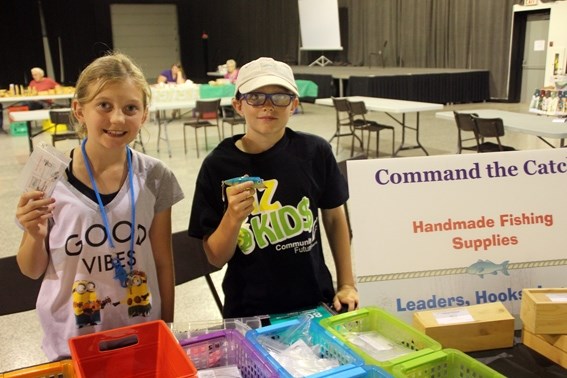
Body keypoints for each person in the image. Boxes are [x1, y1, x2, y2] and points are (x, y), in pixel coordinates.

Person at [15, 52, 184, 360]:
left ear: (144, 115)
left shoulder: (156, 176)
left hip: (140, 333)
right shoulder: (48, 177)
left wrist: (167, 327)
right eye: (104, 105)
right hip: (73, 340)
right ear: (79, 110)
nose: (118, 118)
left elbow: (162, 262)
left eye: (130, 108)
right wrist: (34, 233)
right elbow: (31, 269)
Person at [188, 57, 359, 318]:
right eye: (255, 97)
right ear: (238, 105)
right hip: (250, 313)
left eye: (280, 97)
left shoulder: (315, 152)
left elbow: (335, 219)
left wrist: (346, 284)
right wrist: (232, 218)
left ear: (294, 105)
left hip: (314, 302)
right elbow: (215, 257)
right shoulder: (217, 166)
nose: (268, 106)